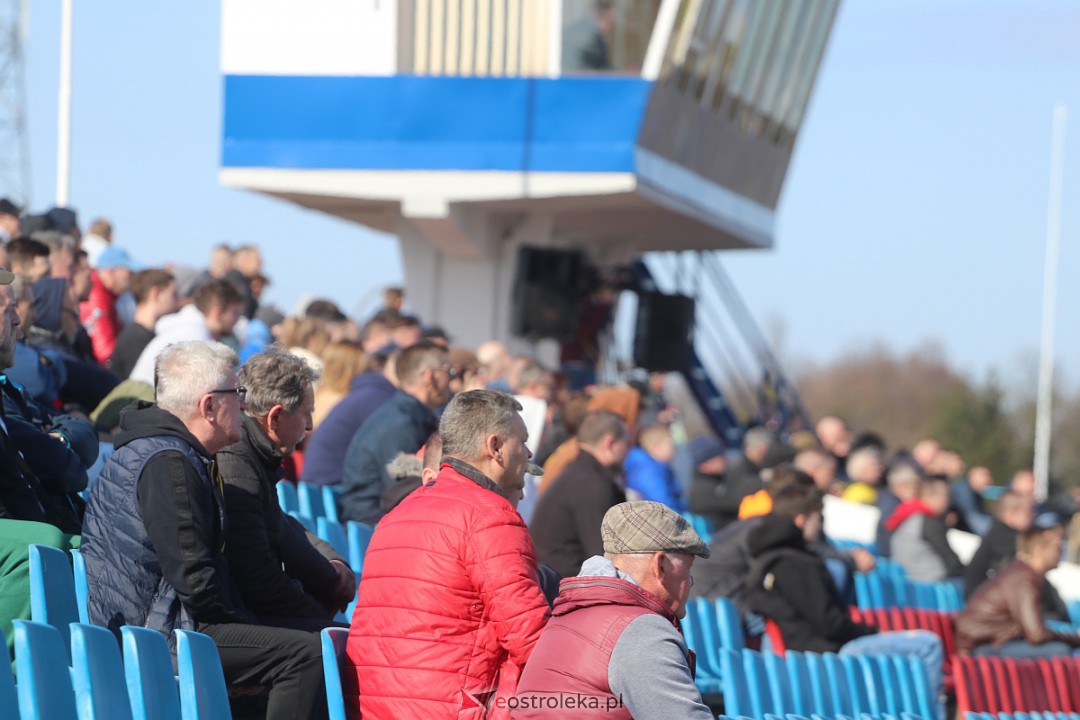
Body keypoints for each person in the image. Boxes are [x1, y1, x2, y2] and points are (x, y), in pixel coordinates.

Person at [81, 341, 327, 720]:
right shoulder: (170, 463)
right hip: (156, 636)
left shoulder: (167, 452)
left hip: (161, 623)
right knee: (306, 654)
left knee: (320, 637)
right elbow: (196, 581)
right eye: (237, 394)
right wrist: (251, 628)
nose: (244, 406)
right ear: (209, 407)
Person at [344, 389, 551, 719]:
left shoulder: (399, 512)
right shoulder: (490, 517)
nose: (527, 453)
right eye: (522, 442)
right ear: (495, 447)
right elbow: (532, 639)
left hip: (373, 708)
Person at [742, 484, 945, 718]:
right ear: (801, 520)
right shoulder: (796, 563)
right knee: (928, 644)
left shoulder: (769, 560)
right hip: (827, 653)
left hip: (809, 651)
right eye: (818, 519)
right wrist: (868, 630)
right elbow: (829, 623)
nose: (820, 525)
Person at [513, 500, 713, 718]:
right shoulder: (642, 630)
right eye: (687, 568)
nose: (691, 582)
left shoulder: (569, 614)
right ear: (661, 565)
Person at [216, 346, 355, 627]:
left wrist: (334, 565)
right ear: (275, 417)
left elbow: (281, 524)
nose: (310, 425)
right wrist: (322, 619)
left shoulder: (252, 453)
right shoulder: (236, 461)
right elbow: (256, 578)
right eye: (306, 414)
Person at [338, 340, 447, 524]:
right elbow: (402, 492)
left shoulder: (404, 415)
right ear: (430, 377)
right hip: (371, 524)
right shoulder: (401, 425)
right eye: (449, 372)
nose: (452, 381)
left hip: (371, 518)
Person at [955, 515, 1080, 658]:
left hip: (991, 643)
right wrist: (1074, 639)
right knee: (1059, 650)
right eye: (1057, 546)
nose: (1061, 552)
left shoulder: (1022, 572)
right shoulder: (1024, 579)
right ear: (1039, 550)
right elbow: (1037, 635)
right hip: (982, 648)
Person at [530, 410, 630, 579]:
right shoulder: (591, 484)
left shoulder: (580, 473)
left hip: (554, 579)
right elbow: (603, 555)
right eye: (626, 443)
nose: (628, 450)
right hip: (563, 587)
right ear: (610, 443)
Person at [128, 278, 245, 385]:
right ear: (217, 314)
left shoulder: (187, 328)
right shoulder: (196, 337)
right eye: (234, 313)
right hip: (145, 400)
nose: (237, 320)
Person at [886, 475, 964, 583]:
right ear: (930, 496)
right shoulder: (928, 522)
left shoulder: (908, 515)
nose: (949, 502)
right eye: (946, 496)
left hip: (908, 583)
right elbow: (951, 561)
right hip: (932, 585)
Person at [110, 268, 177, 380]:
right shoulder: (136, 338)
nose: (177, 300)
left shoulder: (140, 334)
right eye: (173, 294)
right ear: (156, 293)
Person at [79, 245, 138, 366]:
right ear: (111, 272)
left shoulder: (108, 295)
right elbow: (104, 352)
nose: (132, 277)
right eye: (128, 272)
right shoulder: (97, 297)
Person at [624, 424, 684, 511]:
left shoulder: (658, 467)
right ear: (656, 447)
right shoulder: (647, 471)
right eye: (670, 444)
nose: (674, 448)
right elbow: (663, 504)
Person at [686, 434, 729, 526]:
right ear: (706, 464)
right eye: (720, 457)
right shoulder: (702, 490)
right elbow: (733, 505)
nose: (726, 459)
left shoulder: (718, 477)